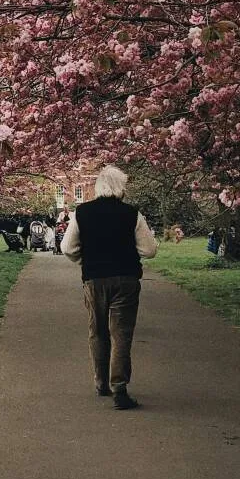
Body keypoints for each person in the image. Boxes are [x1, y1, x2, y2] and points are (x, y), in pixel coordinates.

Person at [62, 166, 158, 410]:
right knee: (121, 333)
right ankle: (120, 388)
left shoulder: (82, 213)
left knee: (98, 331)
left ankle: (101, 382)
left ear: (98, 188)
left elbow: (68, 248)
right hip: (125, 279)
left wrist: (86, 260)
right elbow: (149, 250)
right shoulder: (132, 214)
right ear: (120, 188)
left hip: (94, 279)